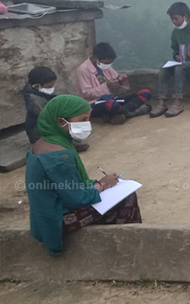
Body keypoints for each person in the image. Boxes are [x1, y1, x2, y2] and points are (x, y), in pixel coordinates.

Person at [24, 95, 142, 256]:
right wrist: (101, 185)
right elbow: (76, 198)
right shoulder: (59, 156)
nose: (87, 125)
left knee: (114, 195)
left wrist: (98, 184)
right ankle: (128, 245)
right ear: (60, 122)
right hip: (58, 219)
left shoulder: (43, 144)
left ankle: (119, 239)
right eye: (82, 119)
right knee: (127, 198)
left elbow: (66, 186)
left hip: (44, 214)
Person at [75, 42, 151, 124]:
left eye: (109, 63)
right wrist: (106, 85)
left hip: (112, 99)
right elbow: (86, 93)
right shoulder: (83, 70)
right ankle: (131, 112)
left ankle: (119, 114)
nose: (108, 66)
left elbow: (116, 85)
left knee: (145, 93)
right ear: (96, 58)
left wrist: (120, 81)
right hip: (94, 103)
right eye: (106, 63)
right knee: (111, 104)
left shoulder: (106, 67)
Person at [22, 66, 90, 152]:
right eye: (49, 86)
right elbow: (49, 117)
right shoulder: (34, 100)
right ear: (37, 86)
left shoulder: (42, 92)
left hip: (47, 124)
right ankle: (69, 144)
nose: (52, 88)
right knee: (63, 121)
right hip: (39, 131)